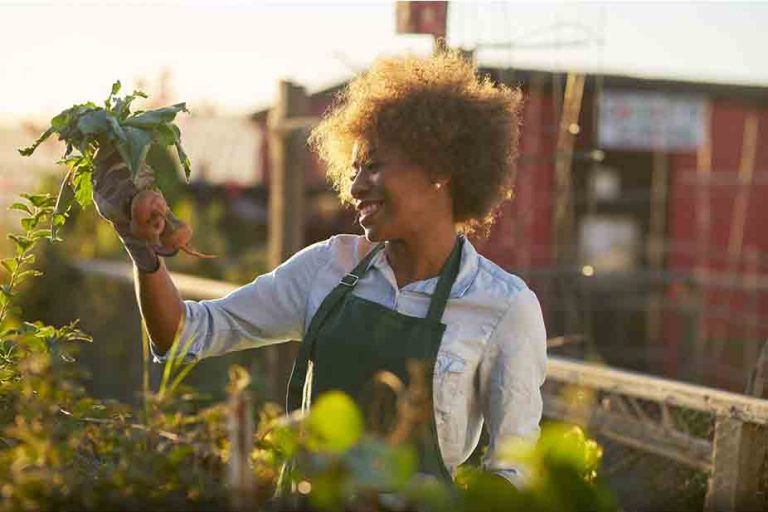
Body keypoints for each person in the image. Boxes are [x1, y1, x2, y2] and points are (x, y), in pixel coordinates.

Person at [92, 51, 547, 487]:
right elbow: (184, 335)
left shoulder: (504, 307)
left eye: (373, 166)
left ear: (439, 169)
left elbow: (514, 473)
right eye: (353, 169)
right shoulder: (328, 267)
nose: (355, 187)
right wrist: (141, 247)